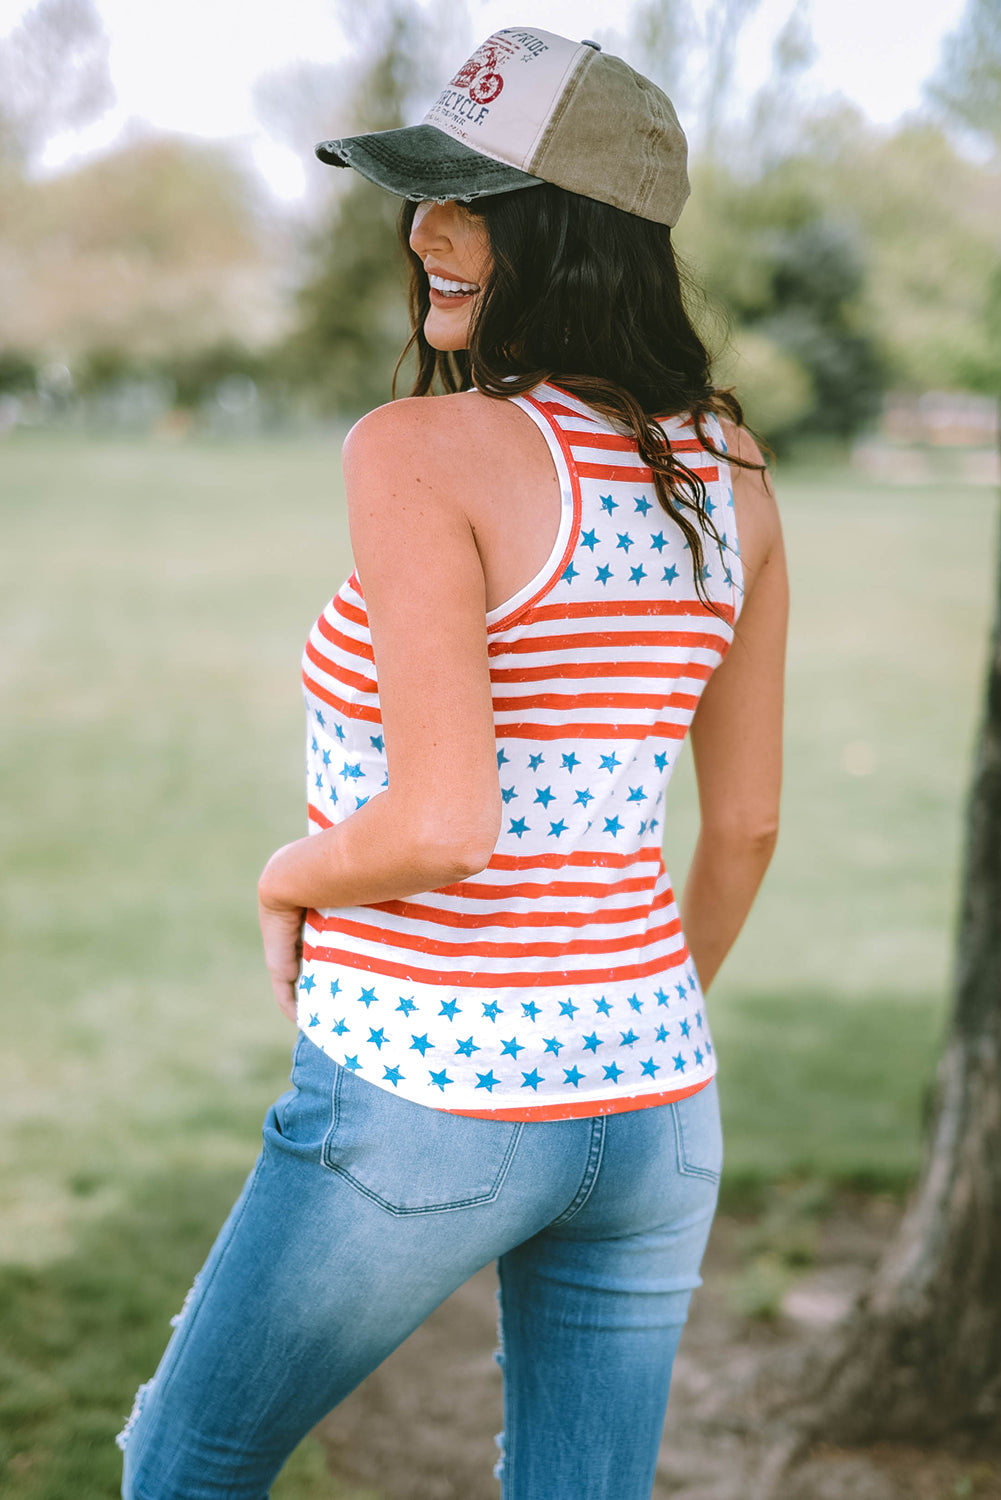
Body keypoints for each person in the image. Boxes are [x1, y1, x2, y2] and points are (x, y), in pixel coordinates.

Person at [118, 26, 787, 1500]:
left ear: (576, 233)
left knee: (186, 1463)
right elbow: (741, 829)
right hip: (658, 1098)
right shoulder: (731, 470)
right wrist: (620, 1028)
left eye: (470, 197)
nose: (425, 231)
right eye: (418, 192)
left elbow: (437, 821)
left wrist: (286, 874)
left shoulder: (414, 446)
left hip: (429, 1089)